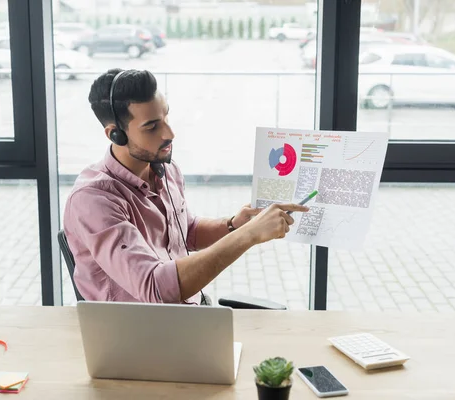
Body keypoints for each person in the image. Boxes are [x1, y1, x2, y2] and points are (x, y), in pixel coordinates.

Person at [63, 68, 309, 305]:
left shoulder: (165, 169)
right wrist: (249, 234)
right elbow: (155, 287)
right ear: (115, 134)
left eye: (166, 117)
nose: (169, 133)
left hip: (187, 315)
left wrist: (234, 225)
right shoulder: (93, 200)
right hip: (136, 335)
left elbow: (185, 232)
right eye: (152, 126)